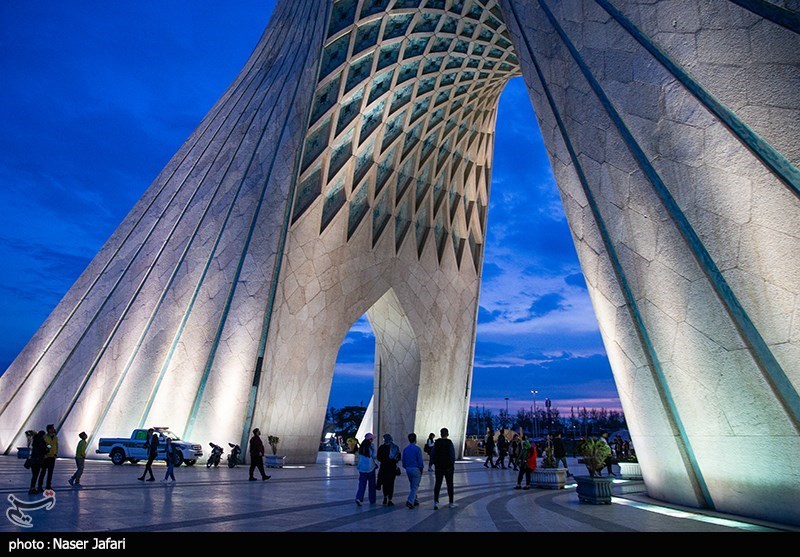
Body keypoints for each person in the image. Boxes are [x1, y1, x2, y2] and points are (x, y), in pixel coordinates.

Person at [430, 427, 456, 509]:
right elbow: (452, 455)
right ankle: (451, 502)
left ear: (440, 434)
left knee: (438, 484)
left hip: (439, 467)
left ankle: (436, 502)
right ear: (447, 434)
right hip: (448, 467)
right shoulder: (449, 443)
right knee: (450, 485)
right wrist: (452, 464)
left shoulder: (437, 443)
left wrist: (434, 463)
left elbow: (433, 454)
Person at [376, 433, 402, 506]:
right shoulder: (395, 447)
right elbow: (398, 457)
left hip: (384, 468)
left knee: (385, 484)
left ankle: (385, 497)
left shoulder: (381, 447)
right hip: (392, 468)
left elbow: (378, 458)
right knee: (391, 484)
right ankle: (390, 499)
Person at [401, 433, 424, 509]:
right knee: (415, 486)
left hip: (408, 468)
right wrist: (421, 469)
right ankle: (410, 501)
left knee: (412, 485)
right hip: (415, 468)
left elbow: (403, 460)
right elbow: (420, 460)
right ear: (415, 439)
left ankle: (415, 500)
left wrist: (405, 466)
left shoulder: (406, 449)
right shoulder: (417, 449)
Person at [354, 432, 377, 506]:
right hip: (370, 468)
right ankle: (372, 500)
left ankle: (359, 498)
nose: (373, 440)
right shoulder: (371, 446)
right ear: (370, 439)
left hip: (362, 468)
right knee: (372, 485)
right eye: (372, 438)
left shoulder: (361, 447)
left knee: (362, 484)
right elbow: (374, 455)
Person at [28, 430, 47, 495]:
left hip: (33, 460)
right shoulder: (42, 442)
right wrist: (48, 448)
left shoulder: (34, 441)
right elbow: (44, 451)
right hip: (39, 460)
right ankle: (34, 488)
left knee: (34, 475)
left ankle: (32, 487)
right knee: (37, 474)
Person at [41, 424, 58, 491]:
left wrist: (55, 453)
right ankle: (40, 486)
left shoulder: (55, 438)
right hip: (46, 457)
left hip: (52, 457)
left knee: (50, 472)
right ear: (49, 430)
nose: (54, 429)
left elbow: (56, 446)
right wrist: (48, 449)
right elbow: (45, 446)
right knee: (43, 472)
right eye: (52, 428)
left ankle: (48, 485)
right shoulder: (45, 437)